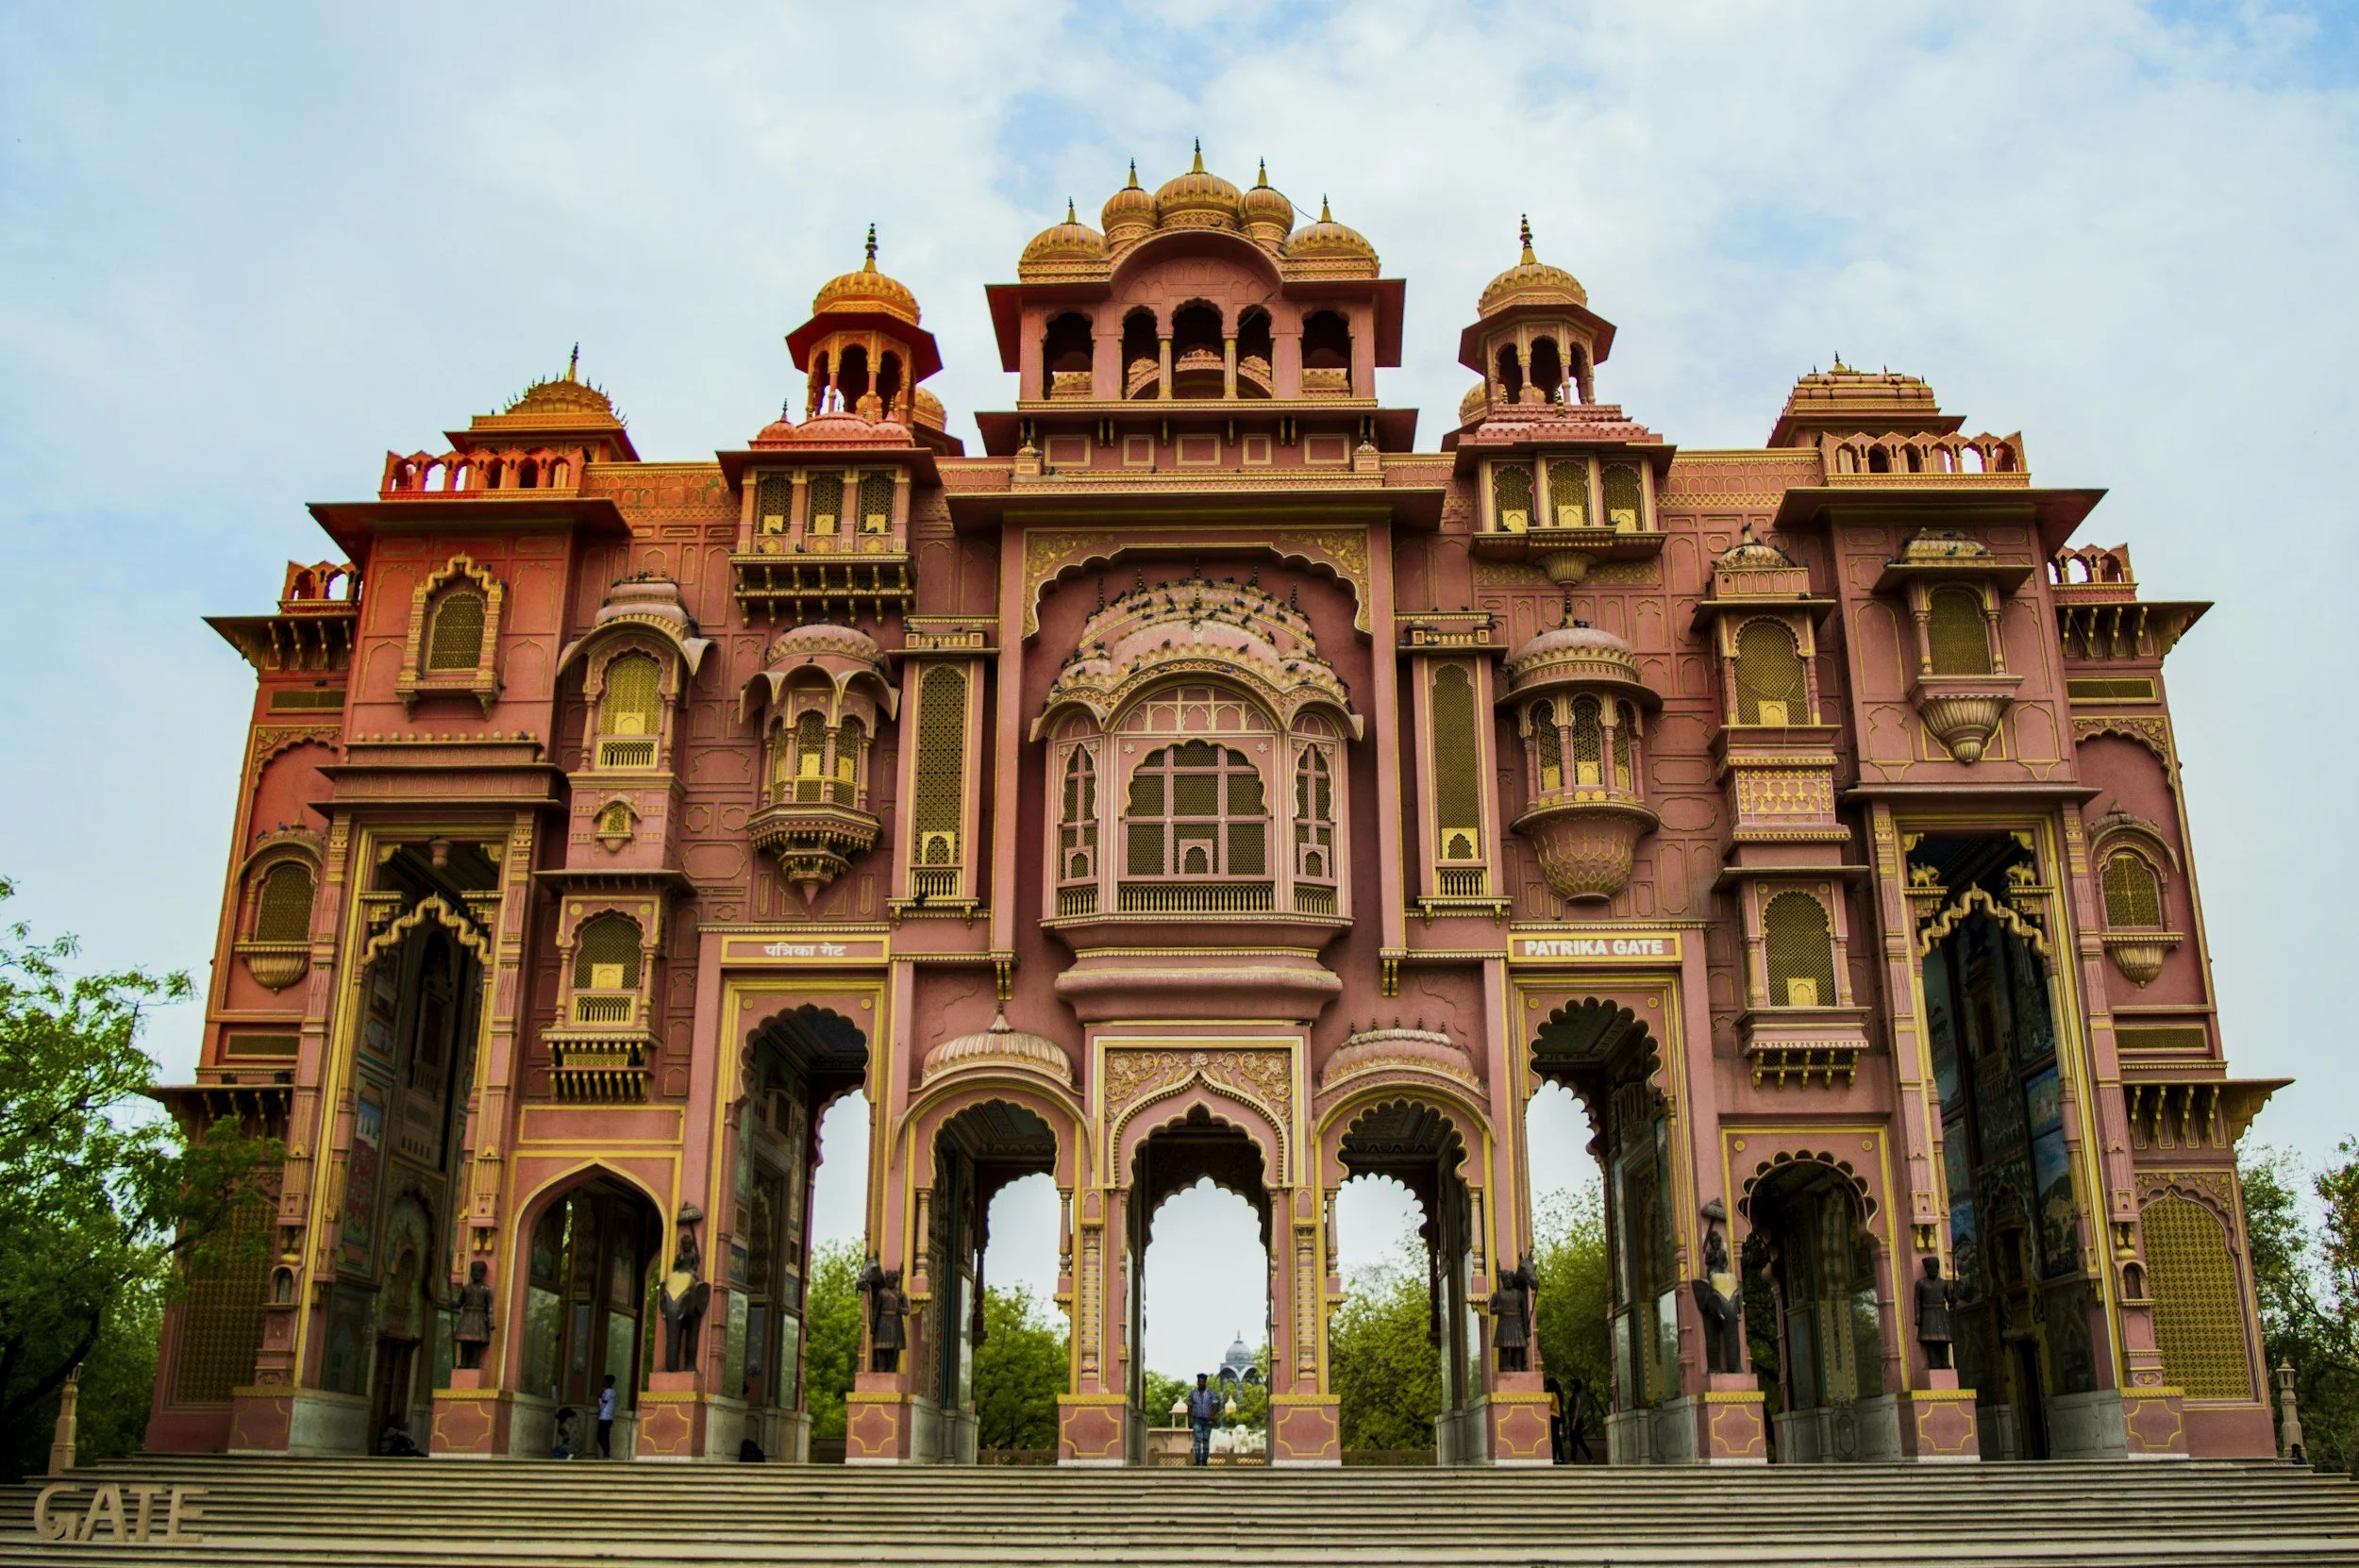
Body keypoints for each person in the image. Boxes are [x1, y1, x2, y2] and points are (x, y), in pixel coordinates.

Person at [1185, 1373, 1222, 1466]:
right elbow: (1189, 1406)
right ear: (1197, 1382)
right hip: (1197, 1419)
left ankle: (1204, 1461)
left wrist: (1212, 1415)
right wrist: (1189, 1419)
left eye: (1202, 1382)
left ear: (1205, 1382)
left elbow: (1216, 1404)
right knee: (1197, 1440)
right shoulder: (1193, 1393)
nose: (1201, 1383)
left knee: (1206, 1441)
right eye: (1199, 1382)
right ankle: (1198, 1462)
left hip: (1208, 1420)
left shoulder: (1211, 1393)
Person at [596, 1374, 617, 1458]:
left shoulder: (609, 1392)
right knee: (602, 1436)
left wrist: (599, 1397)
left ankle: (606, 1454)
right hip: (606, 1417)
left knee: (603, 1437)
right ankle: (606, 1454)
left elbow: (602, 1404)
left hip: (605, 1417)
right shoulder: (610, 1392)